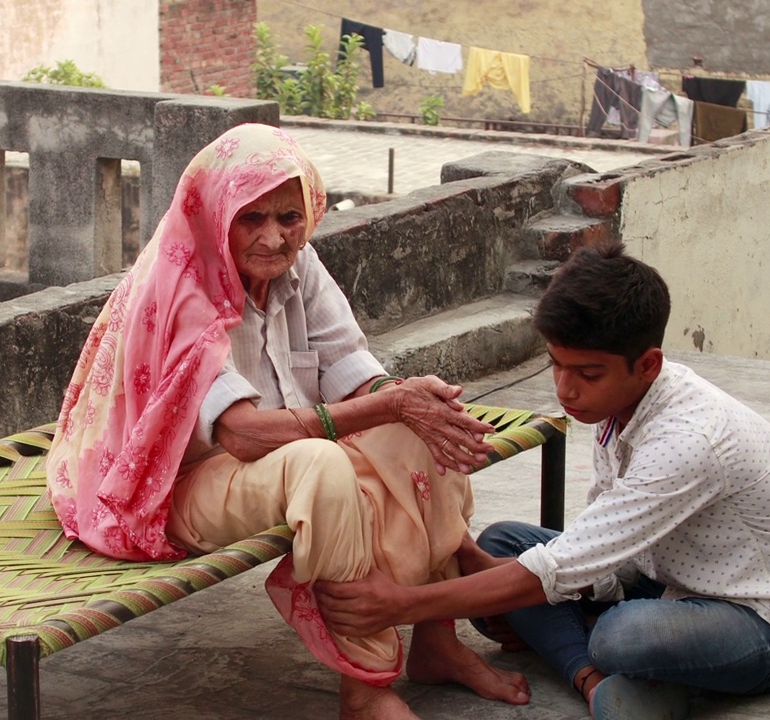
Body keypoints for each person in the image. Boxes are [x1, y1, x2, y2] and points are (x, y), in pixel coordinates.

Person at [43, 123, 531, 718]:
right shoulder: (181, 289)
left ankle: (437, 641)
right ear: (219, 215)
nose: (275, 238)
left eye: (289, 218)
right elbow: (242, 435)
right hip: (177, 484)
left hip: (284, 449)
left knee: (423, 426)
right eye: (253, 219)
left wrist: (403, 401)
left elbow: (350, 365)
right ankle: (366, 688)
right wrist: (388, 405)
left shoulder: (301, 265)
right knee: (323, 468)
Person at [316, 242, 770, 719]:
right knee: (503, 543)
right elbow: (595, 552)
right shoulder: (620, 404)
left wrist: (404, 604)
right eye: (556, 365)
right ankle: (602, 681)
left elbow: (570, 563)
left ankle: (592, 666)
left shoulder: (689, 437)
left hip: (760, 619)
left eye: (587, 374)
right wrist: (494, 575)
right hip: (659, 574)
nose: (566, 389)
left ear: (648, 365)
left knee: (620, 635)